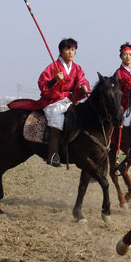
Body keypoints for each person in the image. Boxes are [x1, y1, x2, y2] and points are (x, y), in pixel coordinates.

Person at [38, 38, 90, 166]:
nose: (71, 52)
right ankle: (52, 155)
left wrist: (83, 87)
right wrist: (54, 80)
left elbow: (82, 80)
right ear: (61, 51)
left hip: (68, 101)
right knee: (58, 121)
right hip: (53, 101)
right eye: (67, 49)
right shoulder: (52, 67)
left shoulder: (77, 68)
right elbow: (43, 85)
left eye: (73, 50)